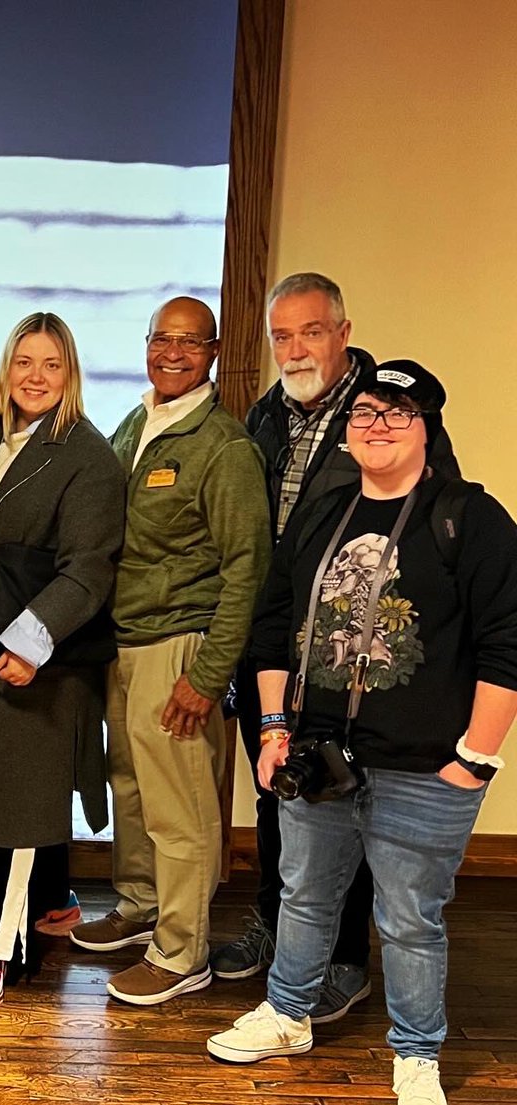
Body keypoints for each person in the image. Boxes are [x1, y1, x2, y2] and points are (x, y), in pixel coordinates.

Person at [207, 361, 517, 1105]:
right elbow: (274, 626)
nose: (377, 425)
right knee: (304, 894)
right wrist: (275, 729)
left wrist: (476, 758)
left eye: (397, 413)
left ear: (427, 428)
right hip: (318, 753)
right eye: (367, 412)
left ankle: (416, 1055)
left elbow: (506, 646)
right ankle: (287, 1012)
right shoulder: (323, 516)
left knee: (410, 919)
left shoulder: (467, 518)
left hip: (425, 768)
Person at [212, 273, 458, 1025]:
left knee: (345, 800)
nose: (294, 348)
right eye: (281, 335)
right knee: (280, 793)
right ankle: (280, 931)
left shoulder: (389, 412)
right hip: (278, 640)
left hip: (350, 652)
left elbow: (429, 522)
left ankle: (345, 964)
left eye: (310, 332)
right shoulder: (264, 418)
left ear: (344, 332)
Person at [71, 297, 270, 1006]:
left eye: (190, 342)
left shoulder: (224, 447)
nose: (173, 353)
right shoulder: (138, 421)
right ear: (146, 343)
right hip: (124, 643)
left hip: (179, 646)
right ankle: (140, 905)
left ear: (213, 351)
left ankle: (183, 950)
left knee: (180, 806)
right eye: (162, 339)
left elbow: (248, 566)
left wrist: (208, 676)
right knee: (132, 788)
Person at [0, 312, 124, 1010]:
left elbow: (87, 570)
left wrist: (30, 643)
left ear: (70, 372)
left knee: (15, 804)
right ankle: (52, 900)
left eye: (52, 364)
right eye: (24, 362)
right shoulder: (0, 437)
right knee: (15, 785)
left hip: (35, 660)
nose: (36, 377)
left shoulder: (86, 456)